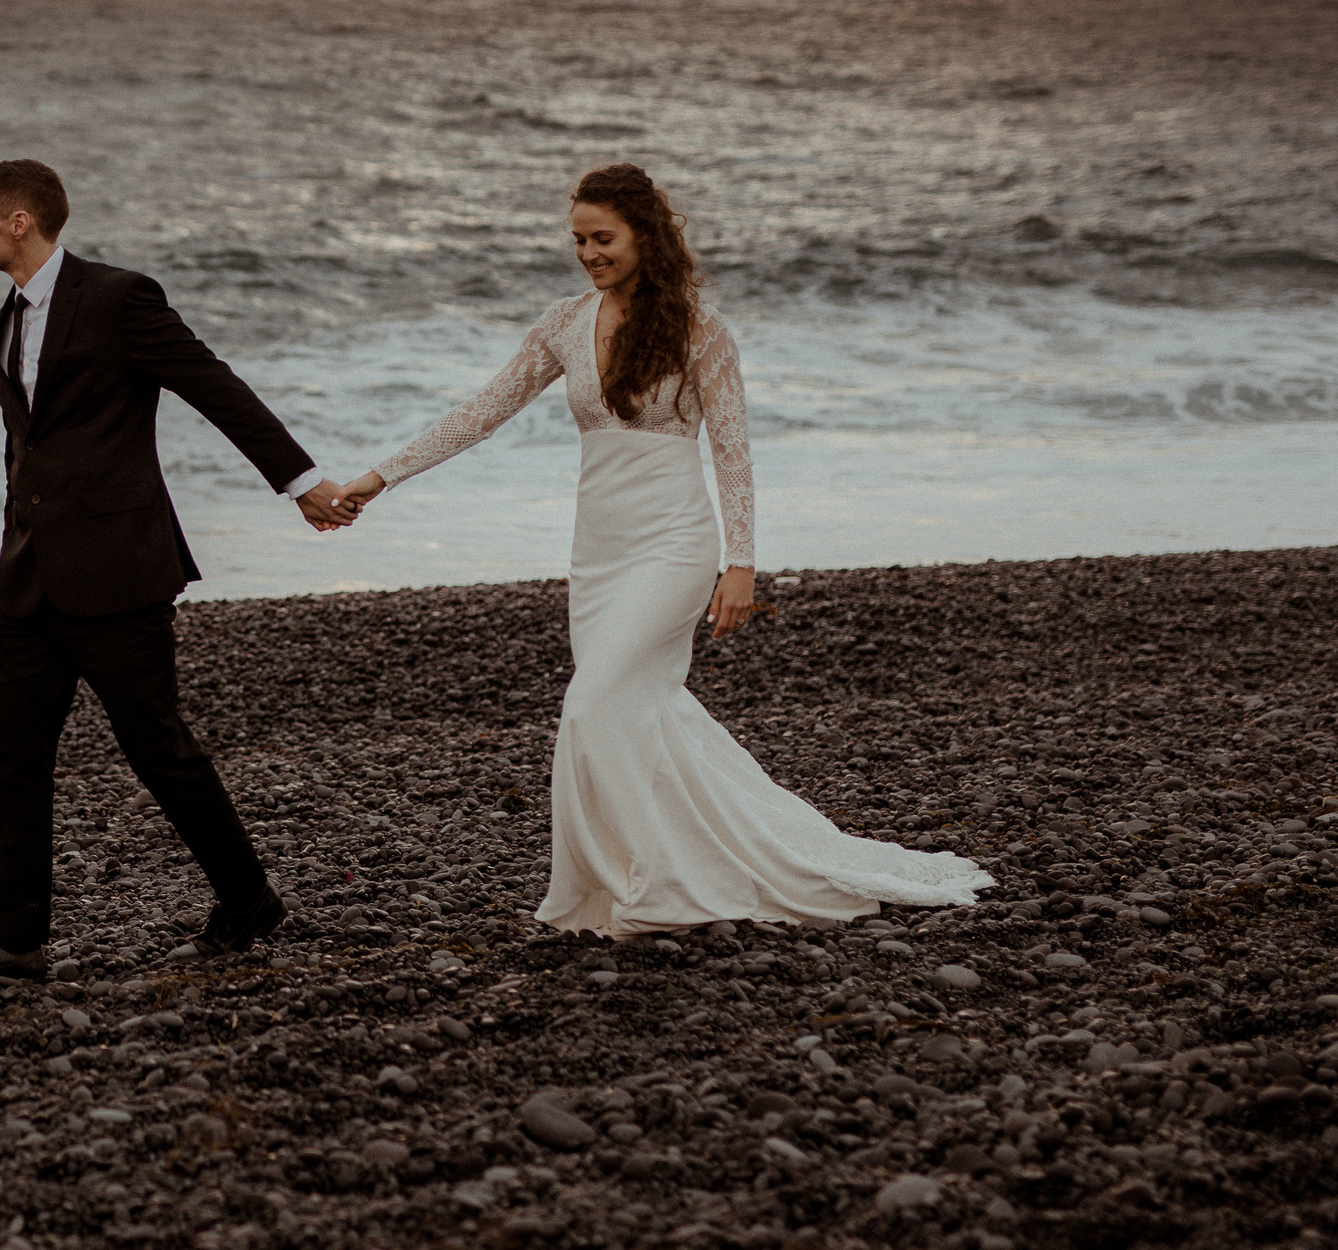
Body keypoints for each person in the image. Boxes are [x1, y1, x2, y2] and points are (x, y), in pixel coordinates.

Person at [335, 163, 992, 936]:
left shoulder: (699, 328)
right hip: (598, 555)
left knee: (590, 707)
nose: (588, 252)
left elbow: (733, 451)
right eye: (578, 239)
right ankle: (651, 870)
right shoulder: (563, 322)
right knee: (635, 713)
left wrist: (740, 563)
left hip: (675, 542)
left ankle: (653, 884)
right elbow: (481, 411)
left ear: (644, 236)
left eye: (603, 238)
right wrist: (380, 477)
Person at [0, 159, 356, 990]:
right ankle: (15, 945)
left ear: (19, 221)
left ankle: (250, 900)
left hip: (119, 573)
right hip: (27, 578)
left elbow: (213, 385)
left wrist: (300, 481)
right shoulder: (6, 319)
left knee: (159, 749)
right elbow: (27, 447)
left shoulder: (119, 297)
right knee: (14, 758)